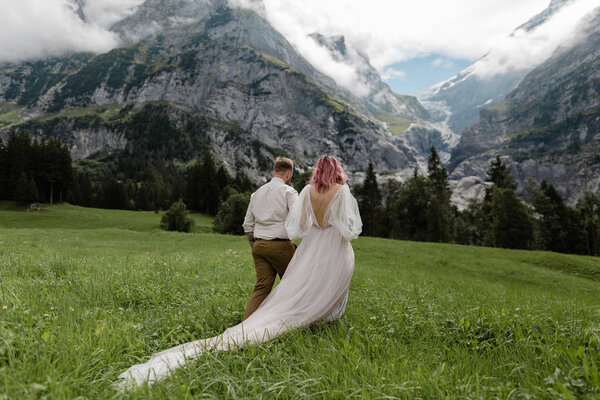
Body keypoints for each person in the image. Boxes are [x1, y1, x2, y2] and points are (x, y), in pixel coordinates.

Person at [116, 155, 362, 388]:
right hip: (318, 244)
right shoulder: (333, 191)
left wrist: (256, 242)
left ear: (317, 171)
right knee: (308, 284)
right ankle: (312, 318)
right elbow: (349, 228)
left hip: (270, 244)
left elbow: (296, 225)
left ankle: (250, 324)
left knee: (267, 286)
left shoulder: (299, 192)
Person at [242, 156, 298, 320]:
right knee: (294, 284)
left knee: (261, 287)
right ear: (288, 174)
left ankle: (243, 329)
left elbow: (247, 224)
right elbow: (298, 218)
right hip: (280, 245)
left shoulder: (256, 193)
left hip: (259, 246)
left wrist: (255, 244)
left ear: (274, 171)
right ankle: (291, 322)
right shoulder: (289, 192)